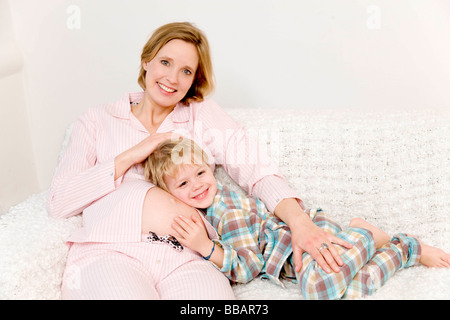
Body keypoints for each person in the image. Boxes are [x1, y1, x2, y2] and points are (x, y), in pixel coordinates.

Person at [143, 137, 450, 299]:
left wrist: (205, 247)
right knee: (354, 290)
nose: (197, 185)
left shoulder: (225, 209)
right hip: (297, 258)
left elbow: (249, 266)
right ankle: (400, 248)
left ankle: (368, 235)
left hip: (302, 243)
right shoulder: (206, 210)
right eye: (183, 184)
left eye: (199, 173)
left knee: (320, 290)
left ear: (210, 169)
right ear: (169, 194)